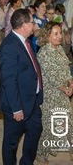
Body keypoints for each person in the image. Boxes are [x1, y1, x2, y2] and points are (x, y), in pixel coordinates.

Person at [0, 8, 43, 165]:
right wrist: (16, 108)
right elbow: (8, 81)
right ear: (24, 25)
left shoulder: (25, 40)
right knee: (11, 142)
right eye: (32, 21)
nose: (34, 24)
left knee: (35, 131)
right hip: (18, 105)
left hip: (32, 100)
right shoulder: (10, 46)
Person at [36, 22, 73, 163]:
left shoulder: (59, 49)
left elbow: (66, 67)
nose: (59, 37)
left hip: (63, 93)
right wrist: (66, 89)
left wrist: (71, 82)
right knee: (50, 126)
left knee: (67, 123)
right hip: (51, 96)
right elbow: (52, 77)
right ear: (47, 35)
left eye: (60, 33)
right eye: (55, 34)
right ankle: (41, 154)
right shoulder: (44, 52)